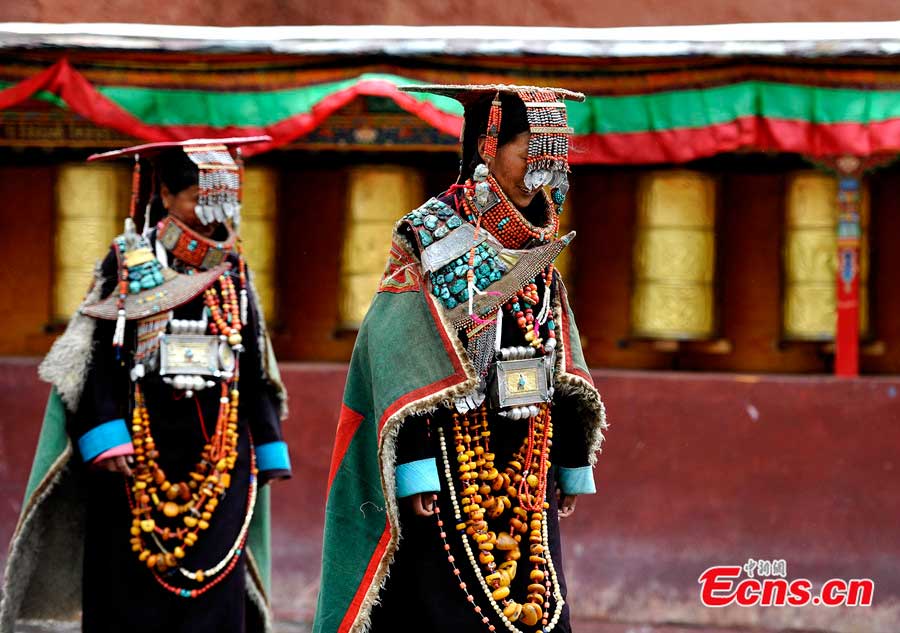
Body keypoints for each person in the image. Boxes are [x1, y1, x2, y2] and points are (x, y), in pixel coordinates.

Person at [314, 85, 608, 633]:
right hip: (449, 460)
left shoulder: (538, 240)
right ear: (488, 147)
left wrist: (571, 460)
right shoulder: (430, 234)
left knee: (536, 598)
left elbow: (557, 350)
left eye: (555, 159)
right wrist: (417, 467)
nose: (546, 175)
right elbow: (402, 355)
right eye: (533, 156)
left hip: (526, 458)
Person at [0, 137, 291, 633]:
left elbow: (251, 365)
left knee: (215, 592)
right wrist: (106, 434)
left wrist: (267, 445)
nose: (212, 210)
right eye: (199, 196)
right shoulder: (129, 260)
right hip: (138, 449)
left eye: (219, 197)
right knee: (130, 588)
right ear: (168, 196)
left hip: (218, 460)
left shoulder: (234, 270)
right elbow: (94, 356)